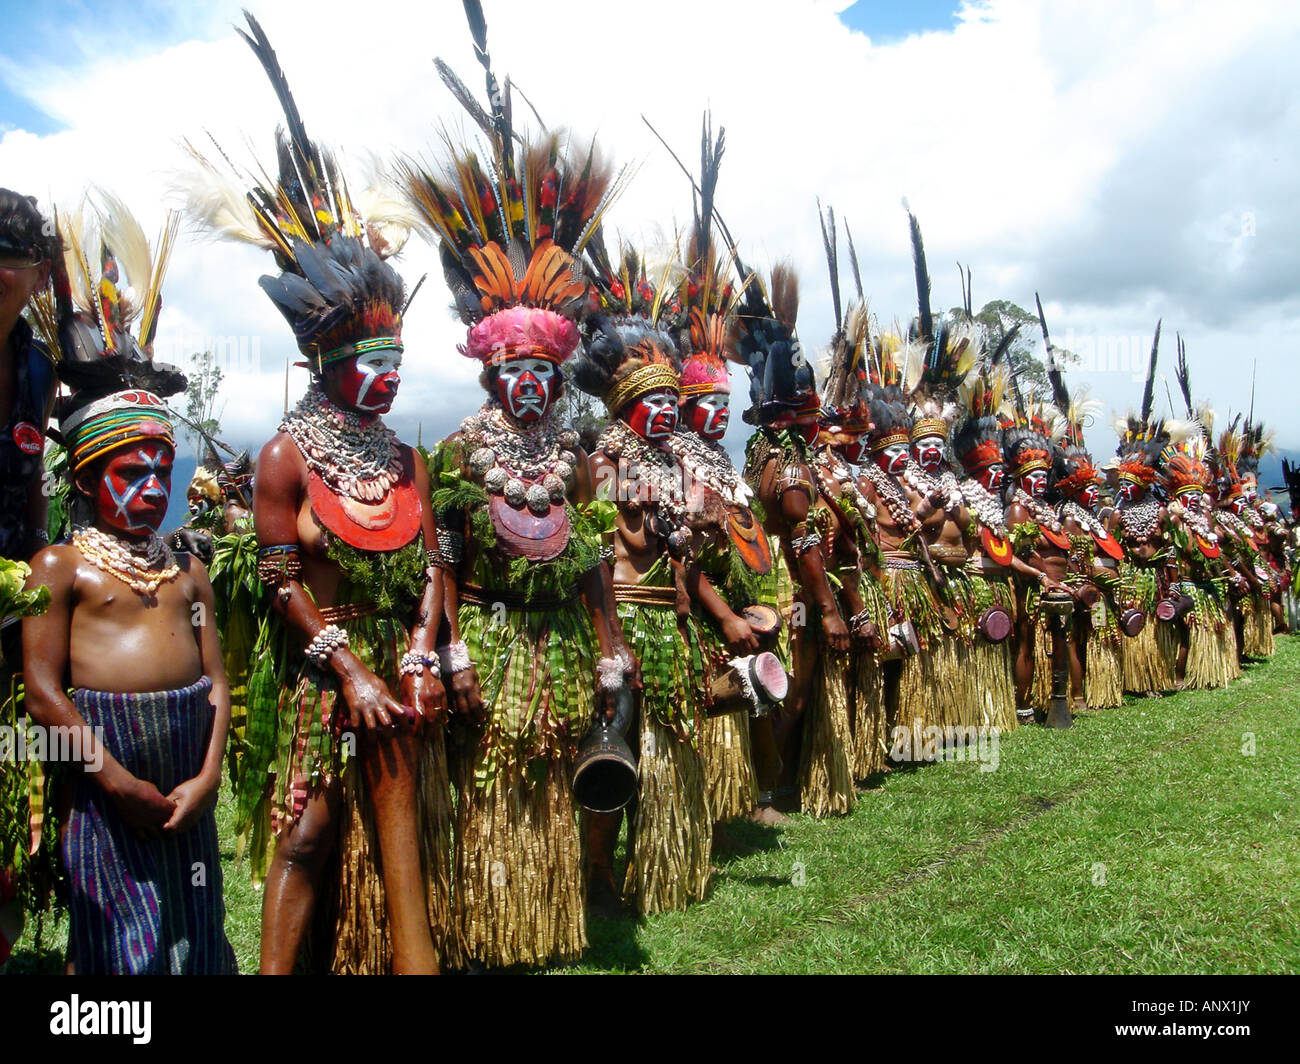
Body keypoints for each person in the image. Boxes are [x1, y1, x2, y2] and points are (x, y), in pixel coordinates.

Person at [186, 13, 452, 973]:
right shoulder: (284, 458)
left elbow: (434, 558)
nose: (385, 382)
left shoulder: (405, 457)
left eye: (394, 366)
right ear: (326, 363)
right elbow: (276, 574)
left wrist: (421, 652)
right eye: (368, 367)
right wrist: (350, 670)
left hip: (398, 668)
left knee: (404, 840)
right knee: (305, 834)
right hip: (321, 674)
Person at [399, 21, 637, 959]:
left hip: (562, 644)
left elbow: (594, 564)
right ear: (493, 378)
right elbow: (443, 559)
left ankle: (546, 918)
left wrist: (611, 646)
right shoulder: (457, 453)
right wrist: (449, 647)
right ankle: (486, 928)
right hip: (491, 641)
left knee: (546, 774)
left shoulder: (578, 456)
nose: (533, 384)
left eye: (545, 370)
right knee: (489, 780)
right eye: (517, 372)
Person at [21, 188, 235, 973]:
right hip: (104, 771)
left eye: (160, 468)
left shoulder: (189, 571)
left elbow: (215, 677)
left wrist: (208, 775)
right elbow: (45, 692)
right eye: (128, 471)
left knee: (194, 921)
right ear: (84, 478)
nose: (149, 486)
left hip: (186, 769)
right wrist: (110, 780)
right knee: (115, 930)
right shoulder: (61, 569)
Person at [0, 190, 59, 562]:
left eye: (6, 253)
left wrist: (39, 544)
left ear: (40, 274)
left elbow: (35, 466)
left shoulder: (41, 368)